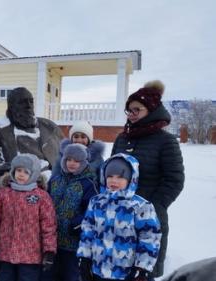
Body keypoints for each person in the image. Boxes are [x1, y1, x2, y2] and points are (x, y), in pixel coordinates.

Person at [112, 80, 185, 279]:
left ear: (151, 110)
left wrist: (154, 207)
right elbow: (111, 171)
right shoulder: (122, 138)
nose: (132, 114)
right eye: (129, 110)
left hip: (148, 221)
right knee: (116, 268)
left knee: (142, 272)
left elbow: (174, 180)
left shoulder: (166, 140)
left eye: (137, 109)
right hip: (119, 216)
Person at [77, 153, 162, 281]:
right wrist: (84, 258)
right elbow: (88, 231)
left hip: (127, 273)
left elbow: (149, 238)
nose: (114, 181)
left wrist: (142, 269)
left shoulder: (141, 206)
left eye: (120, 177)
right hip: (98, 270)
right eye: (110, 176)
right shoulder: (96, 202)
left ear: (131, 179)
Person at [0, 153, 57, 281]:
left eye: (26, 172)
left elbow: (48, 226)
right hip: (6, 253)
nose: (21, 174)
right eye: (18, 170)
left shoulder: (41, 197)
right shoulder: (3, 194)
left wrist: (49, 251)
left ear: (33, 174)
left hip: (31, 256)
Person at [0, 87, 64, 189]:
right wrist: (12, 168)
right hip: (17, 183)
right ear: (11, 106)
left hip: (51, 182)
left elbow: (66, 153)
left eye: (31, 102)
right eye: (22, 102)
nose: (28, 106)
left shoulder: (49, 126)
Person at [43, 143, 98, 281]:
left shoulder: (88, 184)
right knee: (48, 275)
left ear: (84, 163)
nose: (72, 163)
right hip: (51, 240)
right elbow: (44, 204)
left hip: (73, 242)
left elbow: (92, 210)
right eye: (69, 159)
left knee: (70, 275)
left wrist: (78, 224)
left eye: (77, 161)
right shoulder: (55, 180)